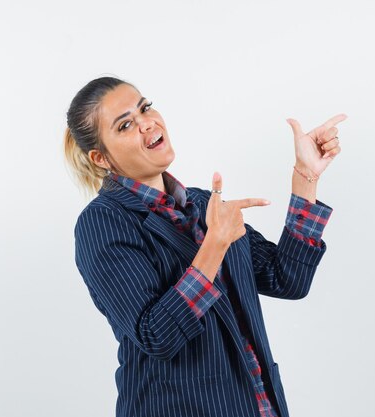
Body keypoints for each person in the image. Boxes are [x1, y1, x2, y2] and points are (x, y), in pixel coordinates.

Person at [63, 76, 345, 417]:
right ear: (100, 158)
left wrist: (305, 177)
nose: (146, 123)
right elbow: (156, 336)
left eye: (145, 108)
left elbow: (286, 279)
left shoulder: (201, 203)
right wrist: (214, 244)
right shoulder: (103, 222)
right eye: (125, 125)